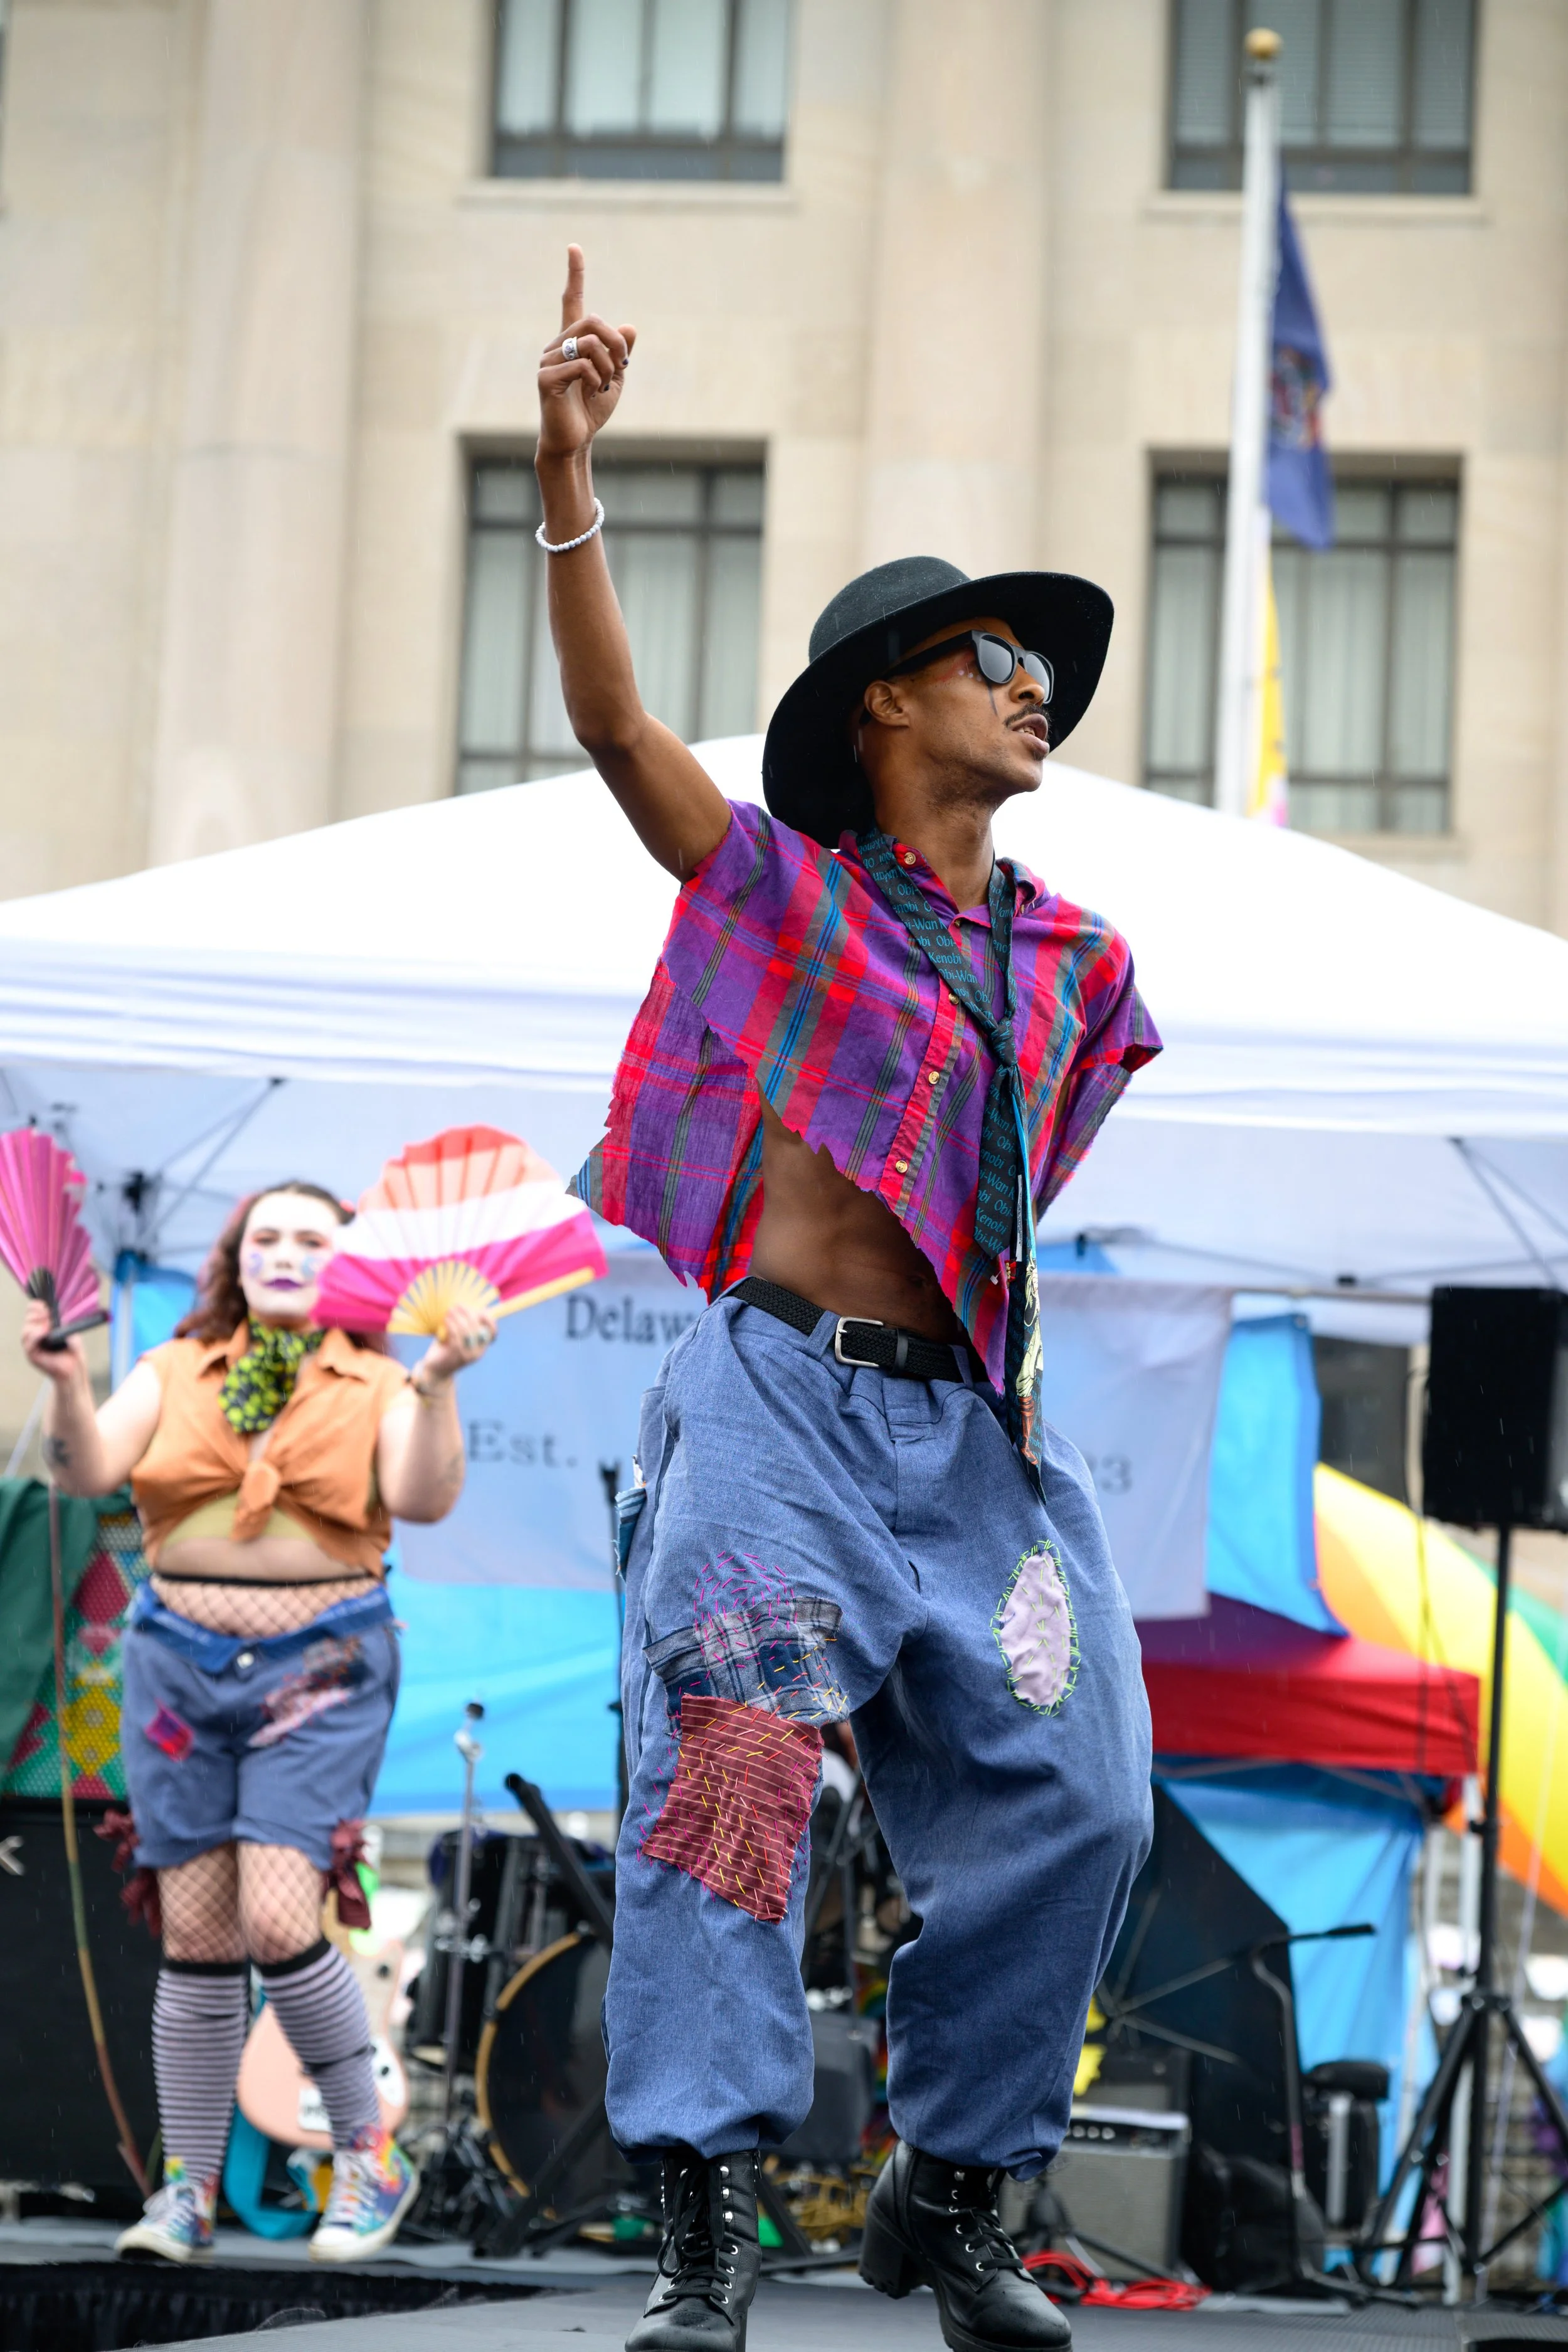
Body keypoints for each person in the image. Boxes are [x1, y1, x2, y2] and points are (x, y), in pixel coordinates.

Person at [536, 246, 1160, 2352]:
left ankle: (951, 2193)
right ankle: (711, 2228)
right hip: (784, 1416)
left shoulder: (1075, 963)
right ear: (886, 695)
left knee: (1086, 1792)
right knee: (737, 1774)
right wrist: (567, 478)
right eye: (992, 654)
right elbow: (621, 729)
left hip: (969, 1437)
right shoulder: (787, 903)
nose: (1032, 683)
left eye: (1038, 662)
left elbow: (1009, 1197)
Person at [23, 1181, 494, 2265]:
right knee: (196, 1935)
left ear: (350, 1264)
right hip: (176, 1666)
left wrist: (438, 1381)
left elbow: (421, 1500)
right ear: (235, 1258)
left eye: (312, 1240)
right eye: (265, 1237)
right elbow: (86, 1472)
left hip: (321, 1665)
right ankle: (185, 2187)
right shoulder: (173, 1368)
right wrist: (60, 1384)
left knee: (282, 1919)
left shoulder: (383, 1376)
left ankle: (370, 2153)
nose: (285, 1253)